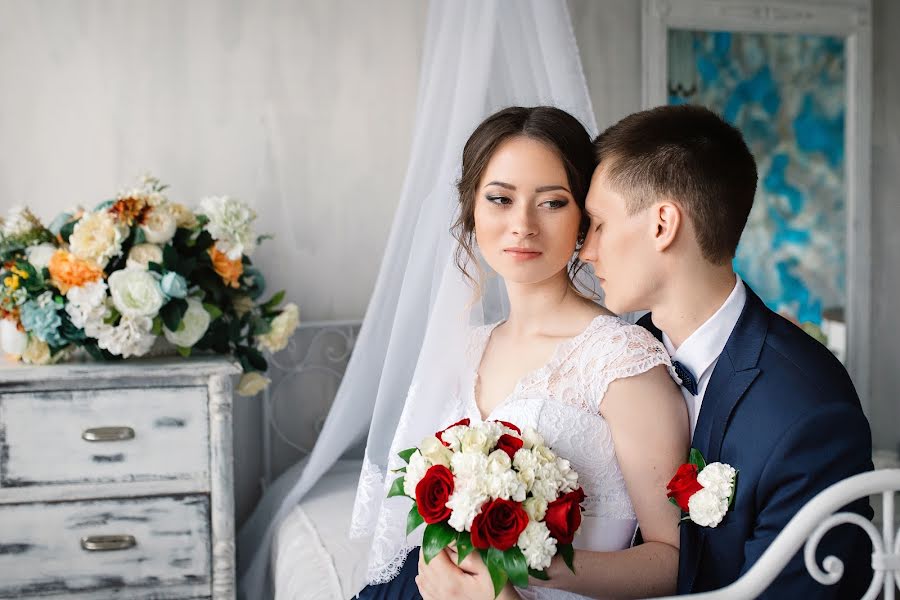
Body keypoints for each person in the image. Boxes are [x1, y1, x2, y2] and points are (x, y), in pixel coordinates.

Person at [357, 105, 689, 600]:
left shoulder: (620, 360)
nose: (523, 225)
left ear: (584, 216)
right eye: (499, 198)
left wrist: (526, 569)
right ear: (471, 209)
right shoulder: (466, 348)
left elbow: (672, 560)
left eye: (552, 203)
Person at [577, 104, 873, 597]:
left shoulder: (807, 411)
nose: (586, 251)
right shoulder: (614, 359)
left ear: (661, 225)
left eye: (600, 224)